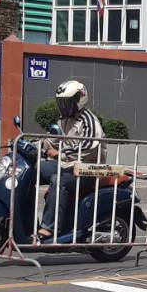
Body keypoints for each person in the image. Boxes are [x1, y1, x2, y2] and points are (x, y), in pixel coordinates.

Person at [38, 80, 103, 240]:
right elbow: (51, 139)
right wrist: (30, 145)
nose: (64, 106)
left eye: (67, 102)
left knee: (58, 180)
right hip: (67, 165)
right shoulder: (64, 120)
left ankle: (50, 226)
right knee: (34, 170)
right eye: (61, 102)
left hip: (87, 171)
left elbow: (88, 146)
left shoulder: (89, 121)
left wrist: (59, 154)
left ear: (79, 99)